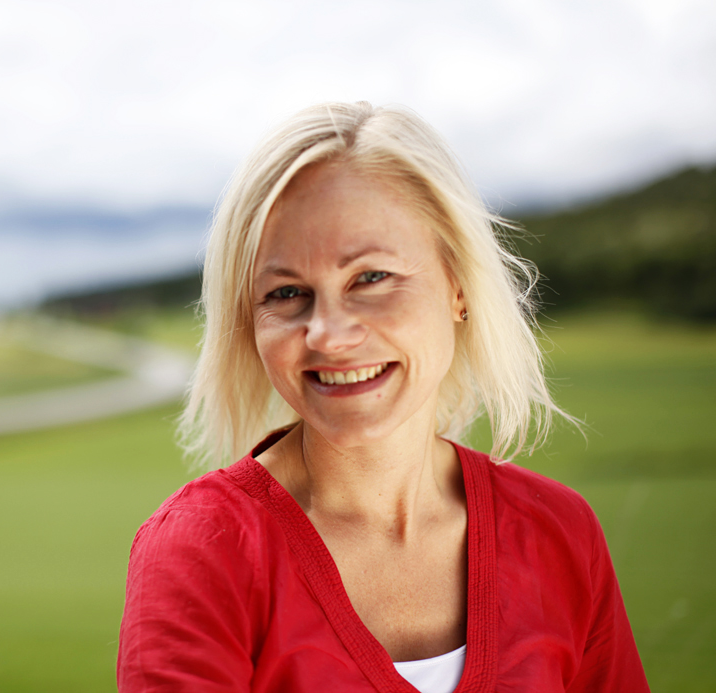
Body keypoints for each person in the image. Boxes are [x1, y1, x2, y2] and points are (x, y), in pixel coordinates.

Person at [117, 102, 649, 692]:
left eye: (370, 278)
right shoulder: (203, 550)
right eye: (288, 292)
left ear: (458, 287)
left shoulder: (559, 533)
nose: (327, 333)